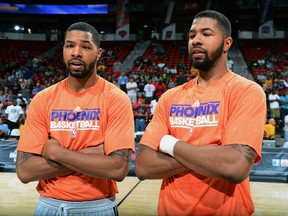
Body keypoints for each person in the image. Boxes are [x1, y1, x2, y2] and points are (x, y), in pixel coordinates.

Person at [135, 10, 266, 216]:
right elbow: (143, 166)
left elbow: (235, 167)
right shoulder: (170, 97)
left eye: (206, 34)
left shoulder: (246, 91)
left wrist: (170, 145)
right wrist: (212, 154)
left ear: (227, 43)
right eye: (191, 35)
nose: (196, 40)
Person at [16, 22, 135, 216]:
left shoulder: (116, 98)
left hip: (97, 207)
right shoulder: (43, 99)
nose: (75, 52)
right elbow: (25, 171)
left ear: (99, 53)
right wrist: (93, 154)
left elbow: (117, 168)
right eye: (69, 45)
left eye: (85, 46)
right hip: (48, 206)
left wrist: (56, 152)